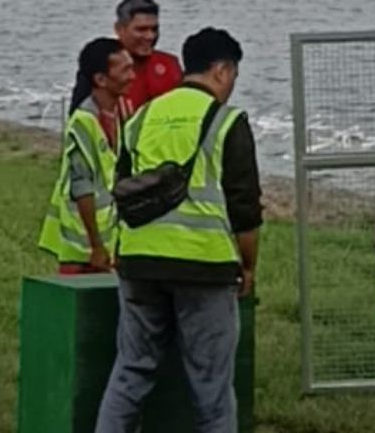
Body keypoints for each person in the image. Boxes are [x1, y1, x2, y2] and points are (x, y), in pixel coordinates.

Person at [95, 27, 262, 433]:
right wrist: (248, 265)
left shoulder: (140, 117)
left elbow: (121, 187)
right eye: (233, 76)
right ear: (222, 70)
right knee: (212, 388)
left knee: (131, 370)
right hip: (204, 266)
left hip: (138, 261)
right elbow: (244, 206)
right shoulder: (227, 121)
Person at [38, 37, 135, 275]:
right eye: (125, 70)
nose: (132, 76)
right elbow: (82, 185)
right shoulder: (83, 121)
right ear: (101, 79)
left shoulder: (120, 114)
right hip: (81, 244)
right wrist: (96, 245)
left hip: (106, 239)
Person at [113, 0, 183, 118]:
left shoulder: (170, 64)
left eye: (154, 29)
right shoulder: (102, 66)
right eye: (141, 30)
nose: (150, 36)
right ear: (119, 29)